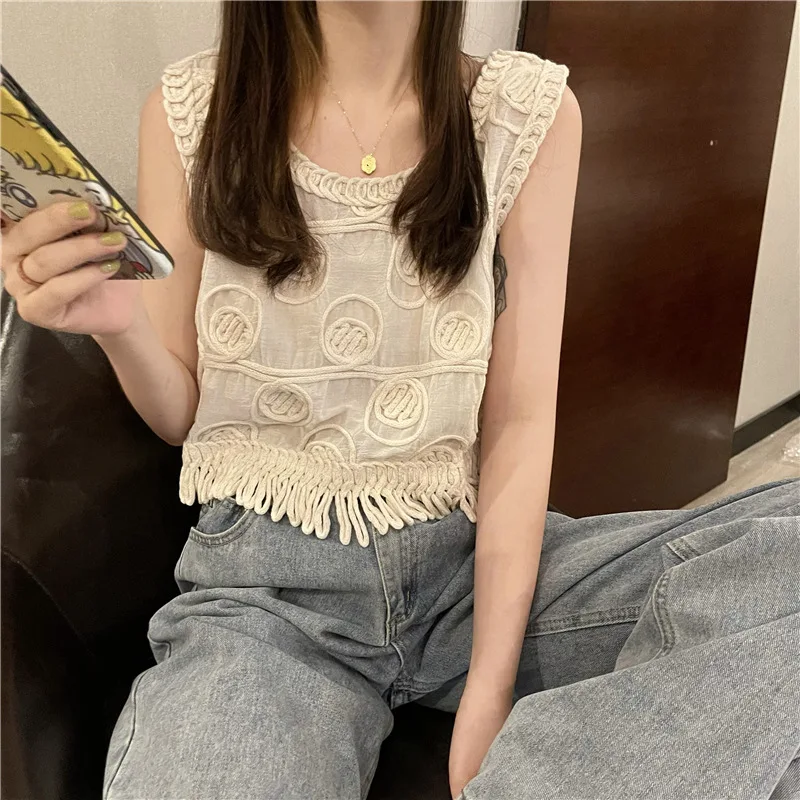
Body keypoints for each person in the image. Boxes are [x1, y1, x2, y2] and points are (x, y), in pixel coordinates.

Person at [2, 2, 797, 799]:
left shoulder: (526, 112)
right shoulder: (190, 113)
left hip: (464, 575)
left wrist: (490, 686)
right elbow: (184, 414)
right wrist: (116, 326)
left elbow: (519, 421)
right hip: (270, 604)